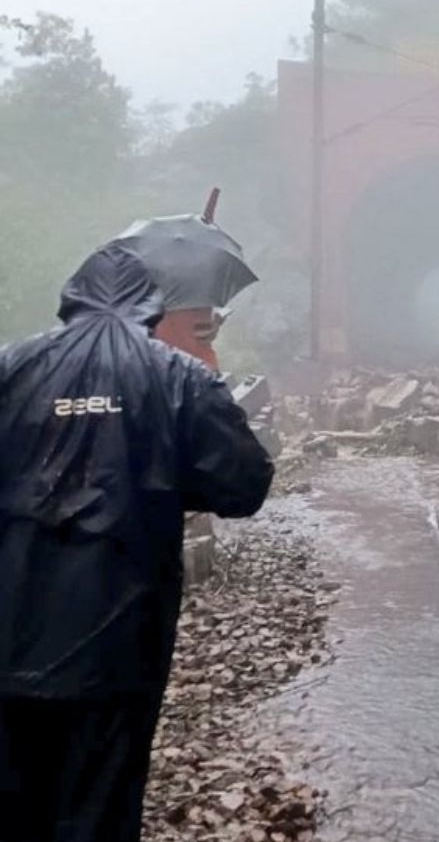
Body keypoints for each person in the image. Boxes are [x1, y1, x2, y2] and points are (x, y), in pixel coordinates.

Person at [0, 246, 274, 841]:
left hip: (11, 638)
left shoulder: (11, 365)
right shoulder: (178, 375)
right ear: (150, 308)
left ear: (71, 300)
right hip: (118, 645)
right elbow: (243, 487)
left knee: (16, 802)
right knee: (101, 803)